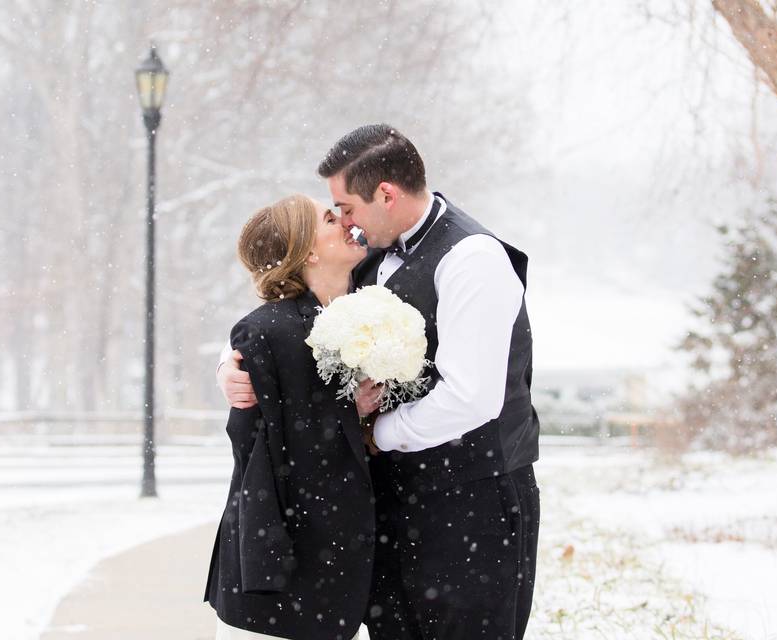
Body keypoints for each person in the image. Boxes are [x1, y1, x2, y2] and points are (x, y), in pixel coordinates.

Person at [218, 124, 541, 640]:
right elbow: (290, 314)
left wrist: (376, 434)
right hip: (389, 506)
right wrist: (230, 367)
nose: (344, 222)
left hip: (470, 498)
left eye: (345, 207)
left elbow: (471, 397)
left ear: (385, 195)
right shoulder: (362, 255)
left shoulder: (471, 260)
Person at [203, 194, 374, 640]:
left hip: (337, 577)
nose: (347, 223)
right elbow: (261, 457)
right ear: (309, 251)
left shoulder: (368, 308)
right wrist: (347, 410)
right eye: (331, 219)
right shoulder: (269, 332)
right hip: (283, 581)